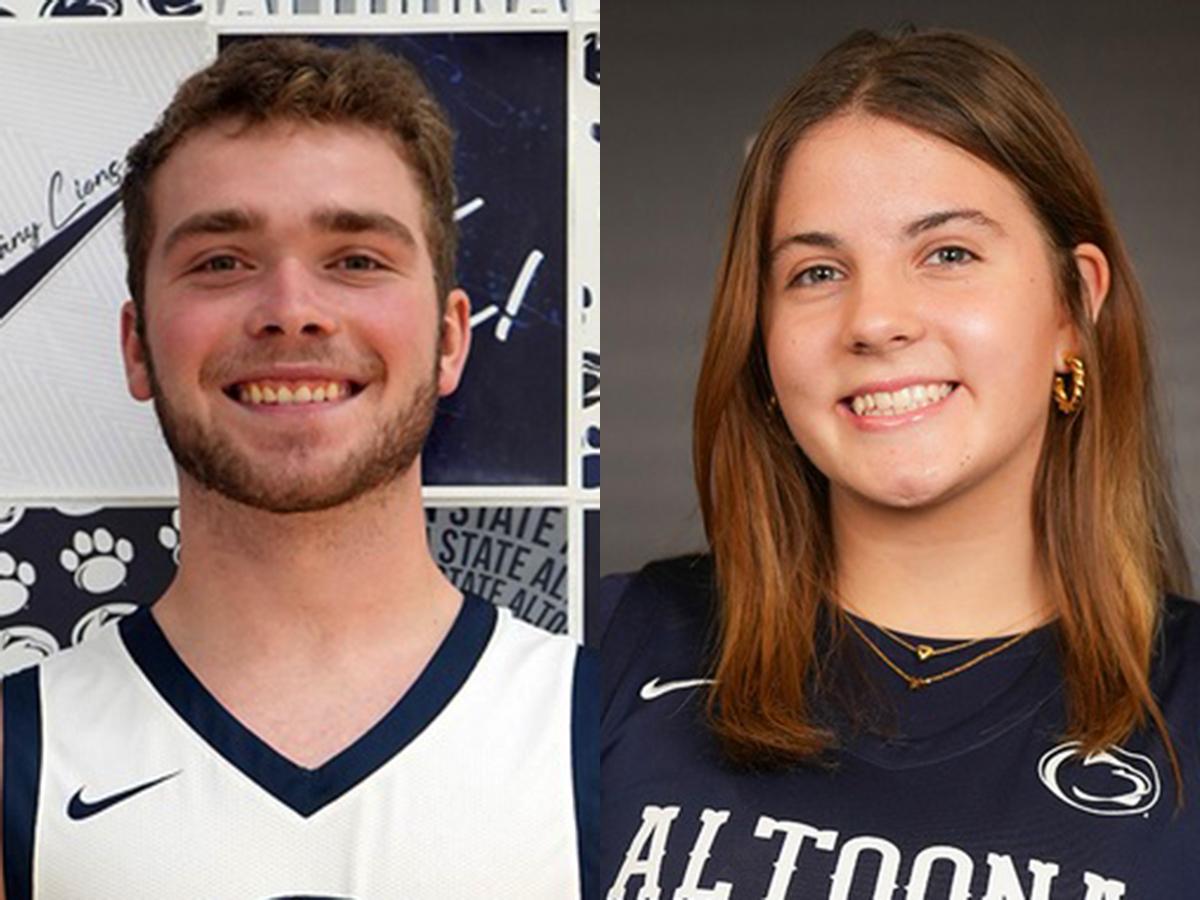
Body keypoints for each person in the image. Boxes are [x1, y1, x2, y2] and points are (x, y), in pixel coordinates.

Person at [602, 28, 1199, 900]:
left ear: (1076, 306)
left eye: (948, 254)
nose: (875, 320)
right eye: (815, 272)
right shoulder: (604, 648)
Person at [0, 39, 595, 899]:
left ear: (450, 340)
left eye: (355, 260)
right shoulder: (24, 751)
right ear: (137, 348)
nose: (290, 311)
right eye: (221, 262)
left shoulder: (597, 735)